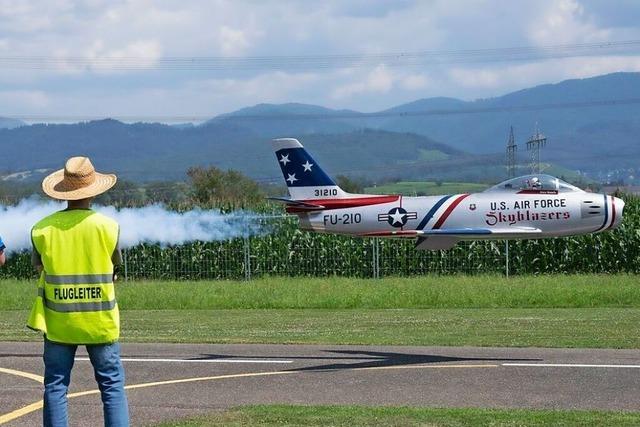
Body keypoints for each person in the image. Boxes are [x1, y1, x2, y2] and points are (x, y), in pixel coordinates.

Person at [28, 157, 129, 427]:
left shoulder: (41, 229)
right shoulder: (108, 226)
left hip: (59, 321)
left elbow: (39, 266)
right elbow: (114, 265)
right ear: (93, 190)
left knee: (56, 385)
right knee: (111, 385)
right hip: (100, 320)